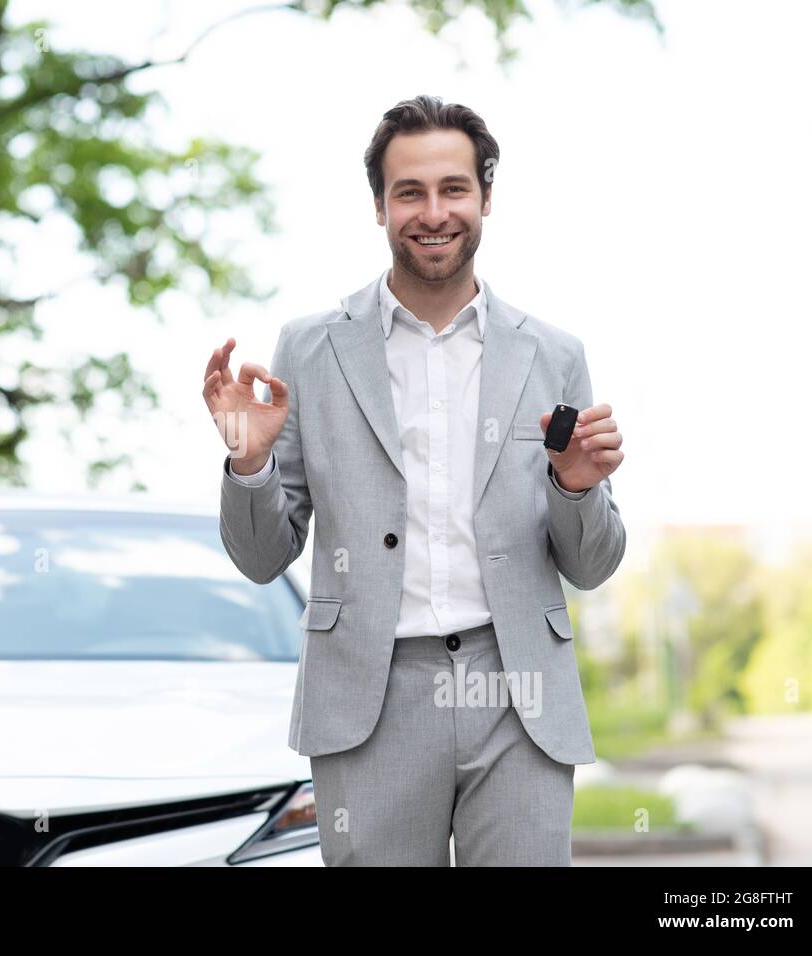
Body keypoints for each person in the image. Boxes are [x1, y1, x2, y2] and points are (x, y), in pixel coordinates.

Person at [202, 94, 626, 866]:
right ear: (379, 206)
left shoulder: (553, 355)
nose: (434, 213)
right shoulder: (311, 349)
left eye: (454, 189)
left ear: (486, 198)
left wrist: (574, 487)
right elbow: (263, 557)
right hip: (371, 692)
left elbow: (591, 564)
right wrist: (249, 461)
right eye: (410, 192)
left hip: (516, 689)